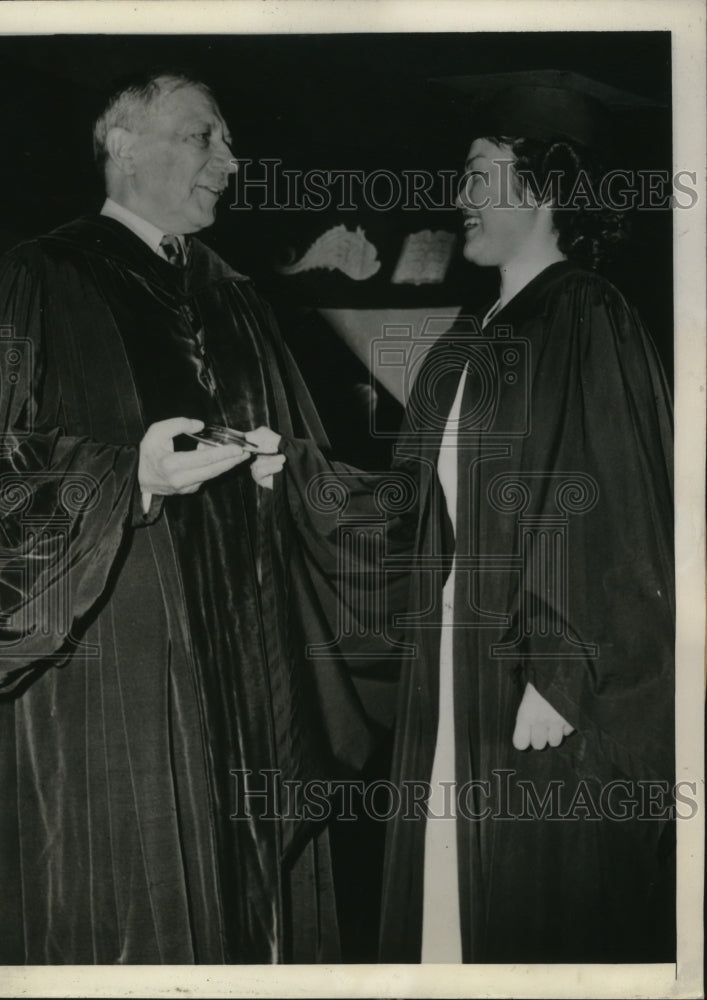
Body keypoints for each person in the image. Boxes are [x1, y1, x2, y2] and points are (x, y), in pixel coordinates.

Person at [250, 70, 676, 963]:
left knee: (521, 905)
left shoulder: (588, 314)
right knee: (446, 905)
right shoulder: (468, 335)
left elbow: (615, 502)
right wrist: (294, 475)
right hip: (452, 666)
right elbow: (417, 508)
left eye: (479, 173)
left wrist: (560, 668)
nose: (459, 197)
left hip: (534, 676)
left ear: (546, 186)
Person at [0, 70, 375, 965]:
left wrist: (284, 470)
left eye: (228, 142)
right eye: (204, 137)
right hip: (115, 659)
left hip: (249, 656)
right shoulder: (40, 276)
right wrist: (130, 477)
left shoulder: (235, 296)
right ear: (123, 147)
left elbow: (311, 465)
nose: (230, 161)